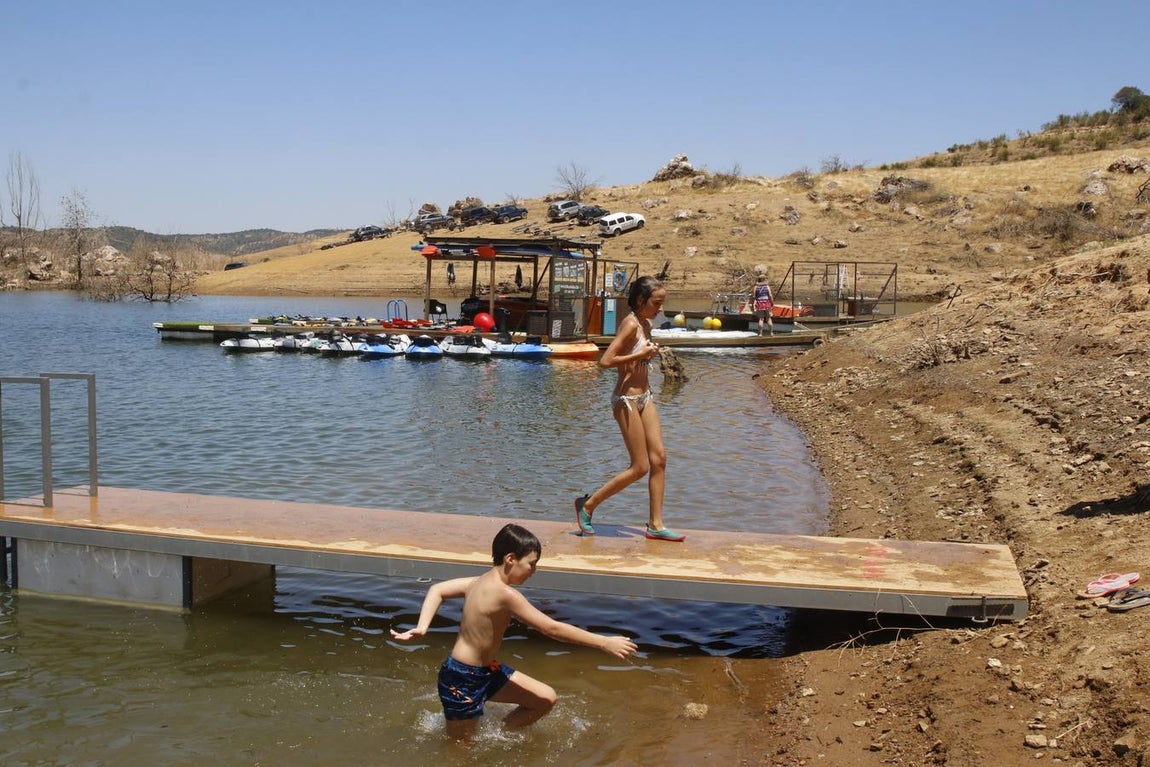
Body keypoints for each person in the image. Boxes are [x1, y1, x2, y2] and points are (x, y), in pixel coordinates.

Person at [390, 523, 637, 739]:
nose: (534, 571)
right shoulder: (505, 594)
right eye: (531, 564)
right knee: (459, 751)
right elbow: (550, 627)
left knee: (544, 699)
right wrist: (603, 643)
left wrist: (423, 626)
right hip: (461, 679)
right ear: (511, 559)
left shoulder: (478, 581)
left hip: (486, 671)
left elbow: (438, 589)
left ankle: (498, 735)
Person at [574, 275, 685, 542]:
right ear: (640, 300)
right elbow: (605, 360)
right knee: (640, 467)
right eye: (656, 303)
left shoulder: (645, 325)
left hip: (645, 397)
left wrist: (649, 353)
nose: (660, 309)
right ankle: (587, 505)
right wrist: (639, 354)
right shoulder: (630, 324)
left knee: (660, 458)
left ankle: (655, 525)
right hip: (625, 400)